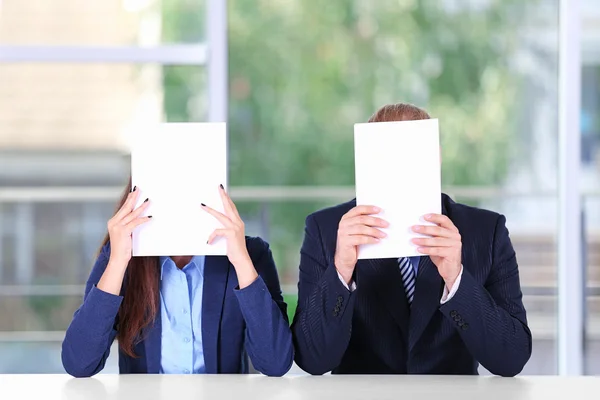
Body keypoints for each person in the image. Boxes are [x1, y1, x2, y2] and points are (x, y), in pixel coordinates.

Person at [291, 103, 532, 376]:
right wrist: (340, 273)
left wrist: (457, 279)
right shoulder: (326, 230)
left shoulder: (486, 232)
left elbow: (512, 358)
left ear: (436, 158)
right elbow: (312, 360)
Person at [62, 180, 293, 377]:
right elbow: (79, 363)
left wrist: (242, 262)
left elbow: (275, 363)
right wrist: (117, 261)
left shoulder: (250, 254)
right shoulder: (122, 255)